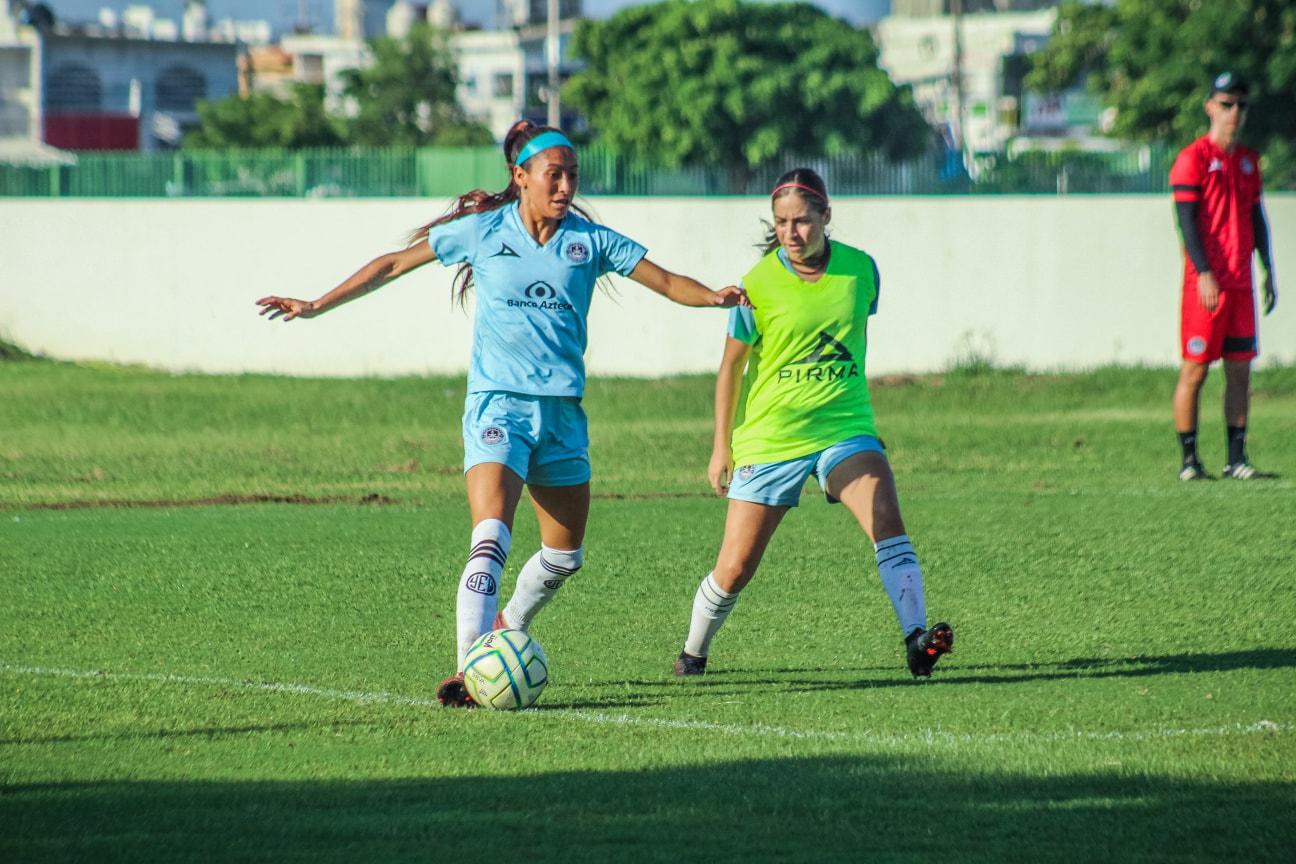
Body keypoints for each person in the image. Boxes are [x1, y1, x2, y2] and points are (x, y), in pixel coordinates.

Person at [257, 121, 748, 706]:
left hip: (562, 415)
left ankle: (507, 626)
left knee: (564, 556)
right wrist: (316, 304)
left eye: (572, 176)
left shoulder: (590, 241)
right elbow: (392, 264)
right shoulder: (483, 231)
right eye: (554, 175)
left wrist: (712, 297)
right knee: (491, 531)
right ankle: (468, 669)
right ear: (520, 177)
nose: (565, 187)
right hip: (498, 406)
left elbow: (665, 281)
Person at [671, 168, 952, 680]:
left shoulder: (861, 270)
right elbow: (731, 367)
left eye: (801, 221)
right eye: (781, 223)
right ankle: (693, 653)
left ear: (826, 216)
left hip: (845, 427)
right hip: (771, 438)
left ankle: (917, 639)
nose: (791, 233)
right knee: (735, 568)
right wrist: (721, 447)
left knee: (887, 521)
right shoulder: (757, 284)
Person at [1170, 71, 1278, 481]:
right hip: (1207, 285)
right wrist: (1203, 272)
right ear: (1210, 107)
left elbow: (1257, 218)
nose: (1234, 112)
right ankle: (1189, 461)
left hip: (1240, 284)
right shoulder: (1193, 158)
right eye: (1227, 104)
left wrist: (1267, 269)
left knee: (1239, 372)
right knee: (1196, 369)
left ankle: (1236, 459)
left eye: (1241, 105)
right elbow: (1186, 222)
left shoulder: (1248, 161)